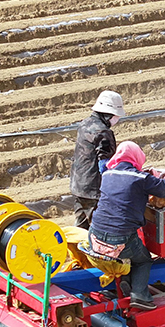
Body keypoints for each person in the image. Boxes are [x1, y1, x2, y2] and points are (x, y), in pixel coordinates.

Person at [88, 141, 165, 311]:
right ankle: (140, 295)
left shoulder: (108, 174)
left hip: (94, 234)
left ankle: (124, 281)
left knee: (128, 252)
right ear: (136, 158)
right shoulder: (141, 178)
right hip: (118, 240)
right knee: (143, 259)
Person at [70, 90, 125, 229]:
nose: (116, 119)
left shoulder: (85, 124)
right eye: (116, 115)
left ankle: (74, 249)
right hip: (93, 189)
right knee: (97, 229)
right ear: (108, 114)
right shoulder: (103, 132)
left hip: (78, 183)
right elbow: (105, 164)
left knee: (80, 226)